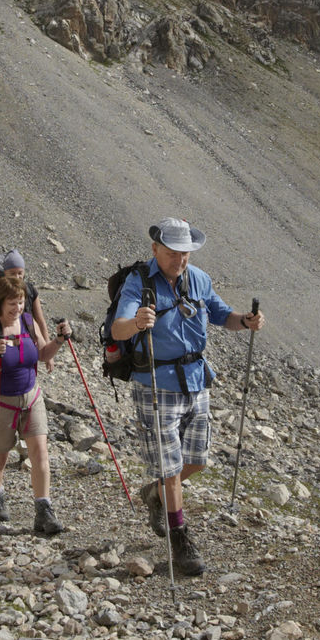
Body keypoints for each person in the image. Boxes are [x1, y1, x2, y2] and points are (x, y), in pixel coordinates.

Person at [106, 217, 263, 576]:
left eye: (186, 253)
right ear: (156, 250)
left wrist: (247, 320)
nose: (181, 260)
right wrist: (136, 324)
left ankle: (154, 494)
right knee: (172, 469)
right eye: (174, 253)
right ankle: (181, 539)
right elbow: (118, 327)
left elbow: (223, 316)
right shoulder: (139, 282)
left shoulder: (200, 279)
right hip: (156, 384)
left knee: (197, 460)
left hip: (195, 381)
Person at [0, 270, 72, 536]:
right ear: (0, 303)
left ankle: (43, 509)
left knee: (40, 451)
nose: (18, 308)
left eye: (21, 302)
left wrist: (59, 340)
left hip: (31, 396)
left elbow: (42, 353)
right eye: (12, 303)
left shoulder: (28, 322)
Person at [0, 249, 50, 345]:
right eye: (12, 273)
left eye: (20, 273)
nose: (17, 277)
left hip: (27, 343)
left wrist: (49, 356)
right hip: (1, 346)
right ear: (5, 273)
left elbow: (40, 321)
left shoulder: (30, 290)